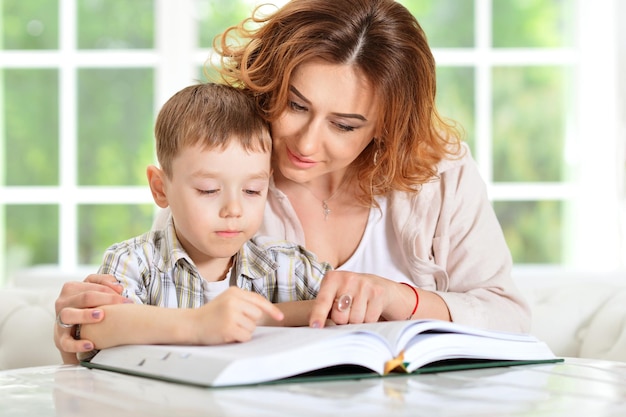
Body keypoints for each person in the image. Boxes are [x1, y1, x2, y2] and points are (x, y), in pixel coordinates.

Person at [55, 0, 530, 363]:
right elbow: (157, 312)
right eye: (296, 105)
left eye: (344, 125)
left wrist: (402, 300)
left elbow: (511, 318)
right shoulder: (229, 157)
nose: (305, 142)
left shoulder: (439, 175)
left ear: (387, 125)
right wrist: (83, 327)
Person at [59, 82, 332, 360]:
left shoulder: (288, 265)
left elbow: (340, 308)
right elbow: (94, 326)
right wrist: (199, 324)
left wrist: (266, 317)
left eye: (252, 190)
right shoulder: (134, 262)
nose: (233, 209)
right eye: (208, 190)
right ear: (160, 188)